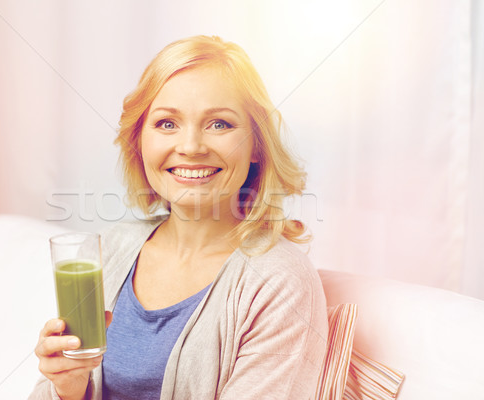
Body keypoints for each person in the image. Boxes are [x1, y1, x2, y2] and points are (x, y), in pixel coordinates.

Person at [29, 35, 327, 400]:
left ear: (257, 146)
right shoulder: (112, 248)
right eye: (167, 124)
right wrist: (67, 388)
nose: (190, 147)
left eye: (219, 124)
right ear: (140, 141)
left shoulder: (278, 281)